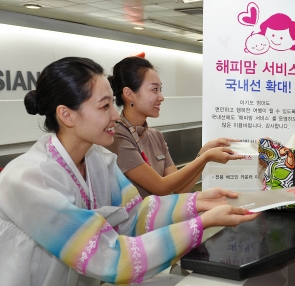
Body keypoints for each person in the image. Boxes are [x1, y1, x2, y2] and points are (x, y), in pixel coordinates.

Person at [0, 57, 259, 286]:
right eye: (104, 107)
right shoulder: (29, 179)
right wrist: (202, 223)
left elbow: (134, 217)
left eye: (113, 104)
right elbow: (110, 258)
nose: (115, 115)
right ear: (67, 115)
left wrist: (198, 202)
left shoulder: (101, 160)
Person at [105, 56, 242, 197]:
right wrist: (205, 157)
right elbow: (160, 187)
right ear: (129, 94)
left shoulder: (155, 135)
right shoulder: (117, 136)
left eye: (160, 89)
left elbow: (180, 188)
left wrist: (204, 152)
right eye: (154, 90)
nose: (161, 97)